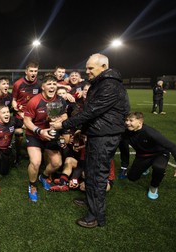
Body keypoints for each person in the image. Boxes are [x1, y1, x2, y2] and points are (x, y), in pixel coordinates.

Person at [53, 53, 129, 228]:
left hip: (105, 136)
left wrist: (64, 124)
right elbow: (94, 113)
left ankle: (96, 217)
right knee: (91, 171)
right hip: (98, 133)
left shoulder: (109, 85)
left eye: (90, 68)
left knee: (97, 175)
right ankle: (91, 202)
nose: (86, 71)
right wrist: (83, 130)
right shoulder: (102, 82)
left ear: (103, 67)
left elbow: (91, 112)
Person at [119, 112, 176, 199]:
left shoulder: (150, 133)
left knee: (159, 167)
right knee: (132, 177)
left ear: (140, 122)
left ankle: (154, 187)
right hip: (142, 156)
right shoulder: (126, 132)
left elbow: (173, 147)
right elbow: (121, 146)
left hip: (159, 154)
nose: (127, 123)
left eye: (131, 120)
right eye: (126, 120)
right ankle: (146, 167)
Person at [23, 75, 68, 202]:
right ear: (43, 87)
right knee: (36, 162)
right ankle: (32, 185)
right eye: (49, 84)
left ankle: (43, 177)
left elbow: (65, 115)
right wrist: (39, 130)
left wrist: (57, 120)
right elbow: (27, 121)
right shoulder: (34, 101)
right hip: (35, 135)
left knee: (57, 163)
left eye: (54, 84)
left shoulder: (59, 100)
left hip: (51, 134)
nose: (52, 86)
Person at [11, 61, 41, 166]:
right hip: (20, 114)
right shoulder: (18, 84)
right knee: (19, 134)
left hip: (34, 115)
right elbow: (14, 100)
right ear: (26, 71)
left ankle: (37, 155)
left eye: (35, 71)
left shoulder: (39, 84)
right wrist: (16, 108)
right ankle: (17, 155)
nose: (33, 73)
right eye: (31, 71)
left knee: (37, 133)